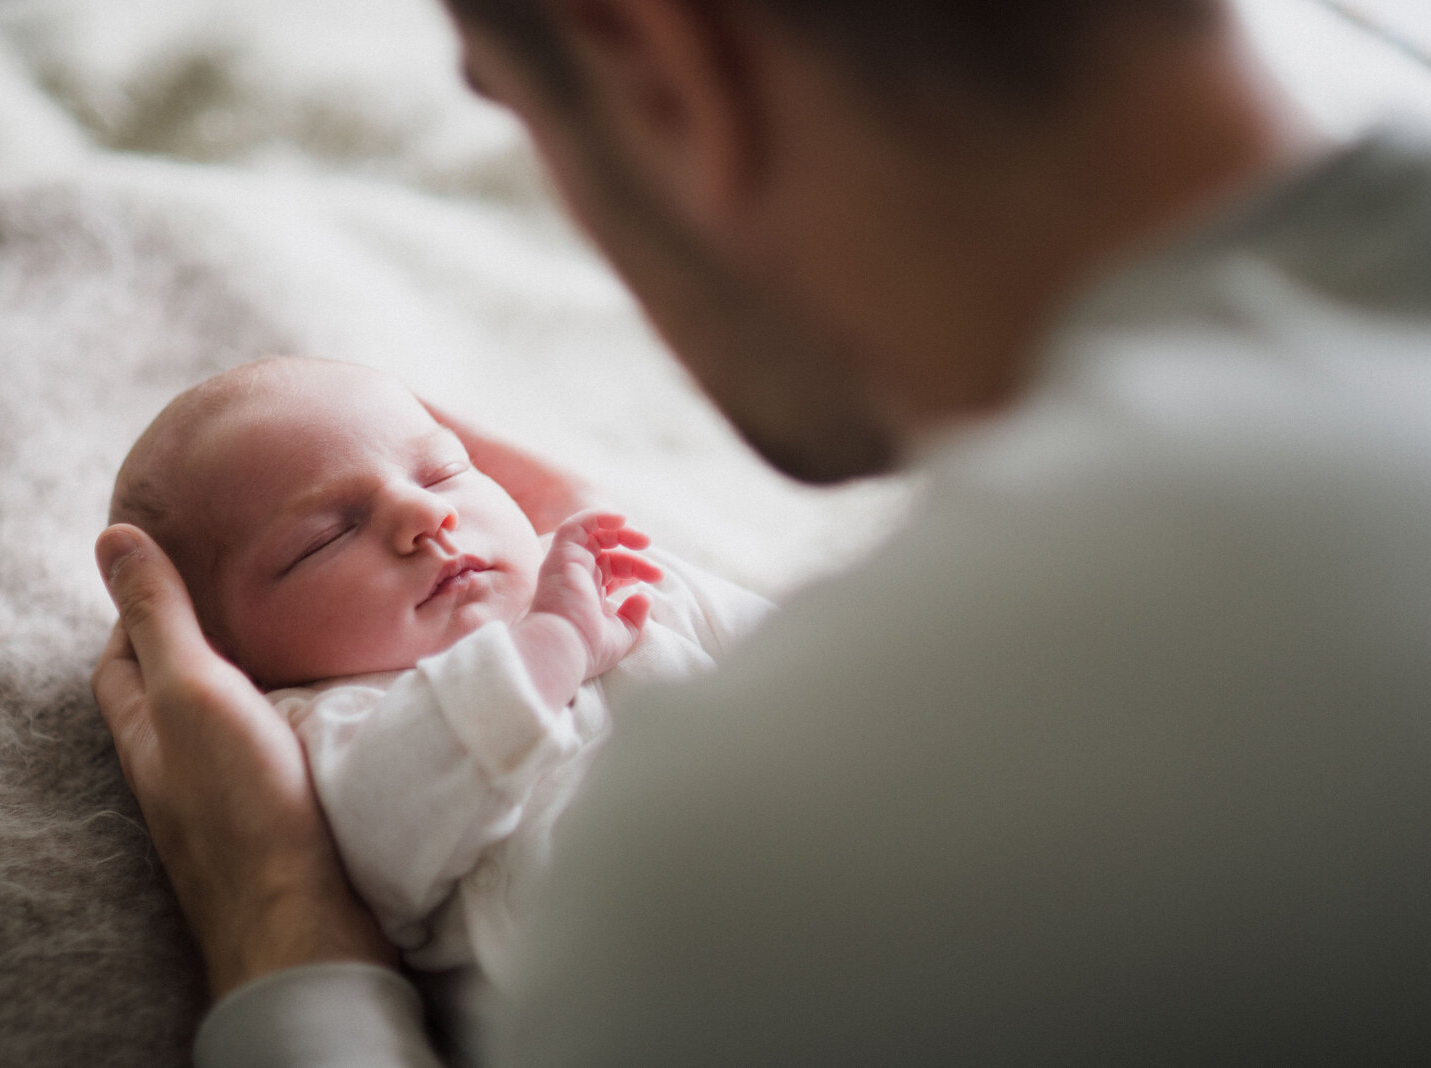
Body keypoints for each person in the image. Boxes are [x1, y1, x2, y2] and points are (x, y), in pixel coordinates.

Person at [92, 0, 1431, 1063]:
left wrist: (277, 917)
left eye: (514, 113)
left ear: (654, 53)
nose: (426, 516)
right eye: (323, 539)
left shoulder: (754, 865)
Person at [105, 356, 771, 1049]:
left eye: (443, 473)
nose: (424, 514)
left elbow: (804, 670)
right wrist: (554, 642)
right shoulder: (325, 720)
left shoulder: (609, 576)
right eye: (324, 538)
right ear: (226, 654)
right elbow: (380, 828)